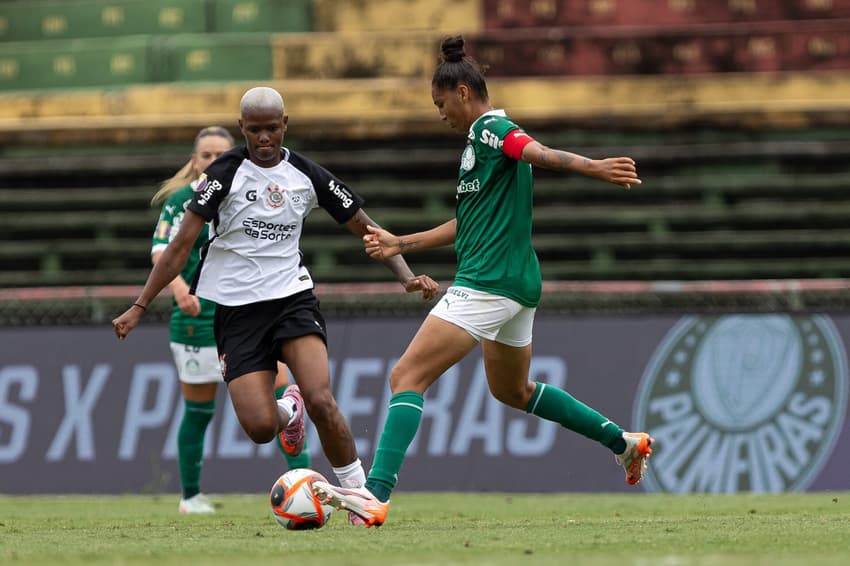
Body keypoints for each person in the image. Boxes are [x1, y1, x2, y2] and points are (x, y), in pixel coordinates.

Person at [312, 35, 653, 527]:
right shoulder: (477, 146)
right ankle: (623, 443)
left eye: (441, 104)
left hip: (488, 282)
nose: (440, 114)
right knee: (512, 391)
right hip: (516, 283)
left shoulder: (492, 129)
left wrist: (594, 167)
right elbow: (467, 223)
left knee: (406, 377)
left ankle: (375, 494)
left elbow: (534, 150)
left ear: (462, 93)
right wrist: (399, 243)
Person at [113, 87, 439, 524]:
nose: (264, 137)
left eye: (271, 128)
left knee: (322, 398)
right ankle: (289, 410)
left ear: (285, 124)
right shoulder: (223, 176)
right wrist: (140, 306)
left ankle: (362, 498)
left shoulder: (307, 175)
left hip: (292, 300)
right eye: (254, 130)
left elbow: (366, 228)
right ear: (242, 128)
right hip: (236, 311)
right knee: (261, 427)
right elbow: (179, 246)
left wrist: (405, 276)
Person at [149, 126, 312, 514]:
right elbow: (161, 251)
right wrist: (179, 290)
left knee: (286, 400)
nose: (213, 161)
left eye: (220, 155)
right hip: (198, 321)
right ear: (194, 161)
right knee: (199, 411)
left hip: (251, 316)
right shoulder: (180, 201)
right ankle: (191, 497)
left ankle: (307, 485)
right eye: (205, 155)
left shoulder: (250, 192)